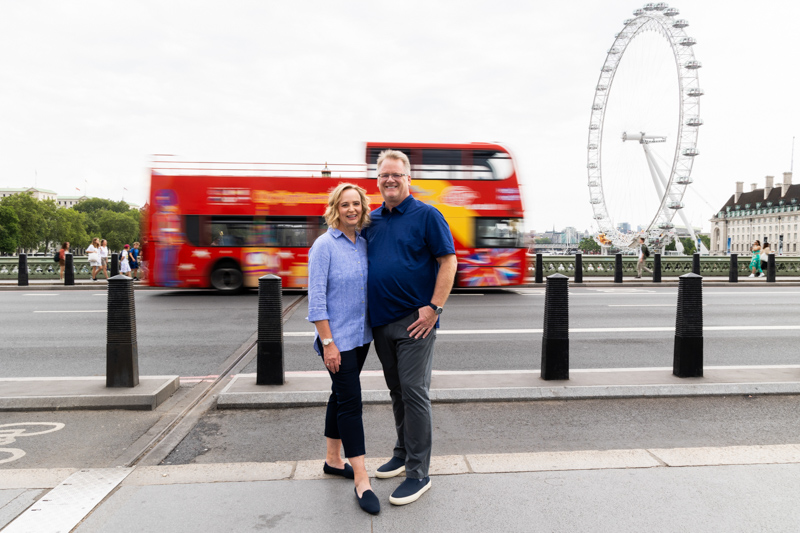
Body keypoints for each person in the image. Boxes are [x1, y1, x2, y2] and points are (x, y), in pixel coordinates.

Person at [363, 150, 457, 506]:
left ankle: (419, 473)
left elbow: (448, 260)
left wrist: (434, 308)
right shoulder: (372, 220)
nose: (390, 180)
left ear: (408, 179)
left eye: (396, 175)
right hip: (381, 322)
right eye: (384, 175)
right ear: (377, 181)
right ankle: (402, 454)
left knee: (414, 392)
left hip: (416, 323)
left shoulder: (427, 215)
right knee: (397, 391)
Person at [307, 183, 379, 515]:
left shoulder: (363, 243)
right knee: (351, 404)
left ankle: (333, 461)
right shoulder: (324, 246)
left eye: (356, 204)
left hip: (361, 337)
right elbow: (316, 299)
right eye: (344, 204)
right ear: (335, 209)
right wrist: (328, 343)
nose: (351, 209)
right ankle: (361, 480)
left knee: (339, 396)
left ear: (363, 207)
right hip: (335, 341)